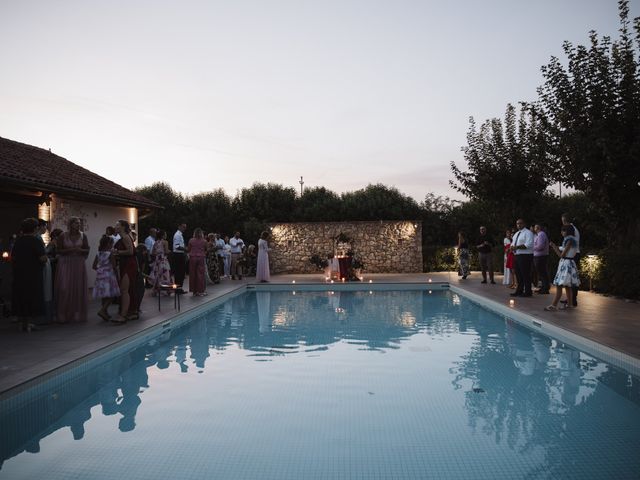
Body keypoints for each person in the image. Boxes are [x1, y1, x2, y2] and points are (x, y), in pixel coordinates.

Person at [11, 218, 47, 331]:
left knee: (21, 296)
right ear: (35, 228)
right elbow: (42, 257)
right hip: (33, 273)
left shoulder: (18, 241)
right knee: (32, 296)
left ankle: (22, 322)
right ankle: (29, 323)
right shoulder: (36, 241)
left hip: (19, 273)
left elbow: (13, 257)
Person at [55, 216, 90, 323]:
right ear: (70, 224)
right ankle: (63, 314)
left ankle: (76, 313)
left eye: (79, 223)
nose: (78, 225)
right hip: (65, 263)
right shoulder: (63, 235)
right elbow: (58, 250)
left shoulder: (83, 235)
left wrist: (80, 250)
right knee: (64, 288)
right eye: (76, 223)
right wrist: (69, 250)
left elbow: (87, 249)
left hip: (78, 263)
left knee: (77, 288)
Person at [544, 224, 580, 311]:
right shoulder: (573, 240)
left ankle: (554, 305)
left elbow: (562, 255)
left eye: (563, 230)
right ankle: (570, 305)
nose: (561, 232)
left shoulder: (569, 240)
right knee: (568, 286)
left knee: (559, 285)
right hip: (570, 263)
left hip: (566, 264)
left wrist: (554, 247)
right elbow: (565, 250)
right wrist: (557, 247)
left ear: (567, 231)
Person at [113, 220, 138, 323]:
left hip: (129, 264)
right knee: (127, 289)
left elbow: (130, 251)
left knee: (124, 290)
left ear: (123, 227)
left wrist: (117, 252)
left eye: (117, 225)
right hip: (125, 263)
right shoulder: (123, 237)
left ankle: (123, 315)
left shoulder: (126, 237)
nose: (115, 226)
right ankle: (130, 312)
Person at [92, 235, 120, 321]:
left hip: (100, 276)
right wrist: (117, 276)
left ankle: (105, 312)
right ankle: (103, 310)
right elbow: (114, 266)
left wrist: (100, 270)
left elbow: (94, 266)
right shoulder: (110, 253)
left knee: (104, 295)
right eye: (111, 243)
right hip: (109, 275)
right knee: (111, 295)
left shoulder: (98, 253)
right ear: (108, 244)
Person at [510, 218, 535, 297]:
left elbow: (529, 245)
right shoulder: (516, 234)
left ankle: (528, 292)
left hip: (525, 256)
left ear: (524, 224)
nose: (518, 225)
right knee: (518, 274)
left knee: (525, 274)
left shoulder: (528, 233)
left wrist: (516, 247)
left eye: (520, 223)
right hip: (517, 256)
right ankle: (519, 290)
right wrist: (511, 248)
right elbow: (513, 244)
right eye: (517, 223)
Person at [561, 213, 581, 306]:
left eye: (563, 221)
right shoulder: (572, 229)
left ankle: (573, 299)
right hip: (572, 254)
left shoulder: (572, 229)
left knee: (572, 278)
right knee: (570, 278)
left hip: (573, 255)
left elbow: (570, 245)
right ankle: (570, 299)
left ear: (565, 220)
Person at [37, 219, 53, 323]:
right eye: (45, 226)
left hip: (45, 264)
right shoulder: (37, 238)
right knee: (46, 289)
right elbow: (43, 252)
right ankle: (45, 316)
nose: (46, 229)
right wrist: (50, 246)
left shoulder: (38, 237)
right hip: (43, 265)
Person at [149, 230, 173, 295]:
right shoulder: (165, 242)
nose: (166, 235)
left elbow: (152, 252)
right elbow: (166, 251)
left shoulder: (155, 242)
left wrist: (158, 253)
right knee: (166, 274)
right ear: (163, 235)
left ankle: (155, 290)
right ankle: (168, 290)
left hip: (157, 261)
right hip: (163, 260)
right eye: (165, 234)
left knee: (157, 275)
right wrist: (170, 251)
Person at [187, 228, 207, 296]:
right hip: (201, 257)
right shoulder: (204, 241)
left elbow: (188, 249)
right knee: (200, 274)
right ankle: (201, 291)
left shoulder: (191, 240)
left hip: (192, 257)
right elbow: (206, 249)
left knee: (193, 274)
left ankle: (194, 291)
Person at [533, 224, 550, 294]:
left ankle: (545, 288)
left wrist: (532, 247)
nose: (534, 229)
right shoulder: (539, 235)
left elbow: (540, 246)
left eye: (534, 227)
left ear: (537, 228)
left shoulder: (541, 235)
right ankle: (543, 287)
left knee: (542, 272)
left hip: (541, 256)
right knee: (541, 273)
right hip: (539, 256)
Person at [172, 223, 187, 287]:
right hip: (178, 255)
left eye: (185, 227)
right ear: (179, 226)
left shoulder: (180, 235)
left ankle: (179, 287)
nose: (184, 229)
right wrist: (185, 249)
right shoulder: (177, 235)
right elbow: (177, 246)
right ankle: (178, 288)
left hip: (180, 254)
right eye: (183, 227)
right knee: (179, 272)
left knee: (181, 272)